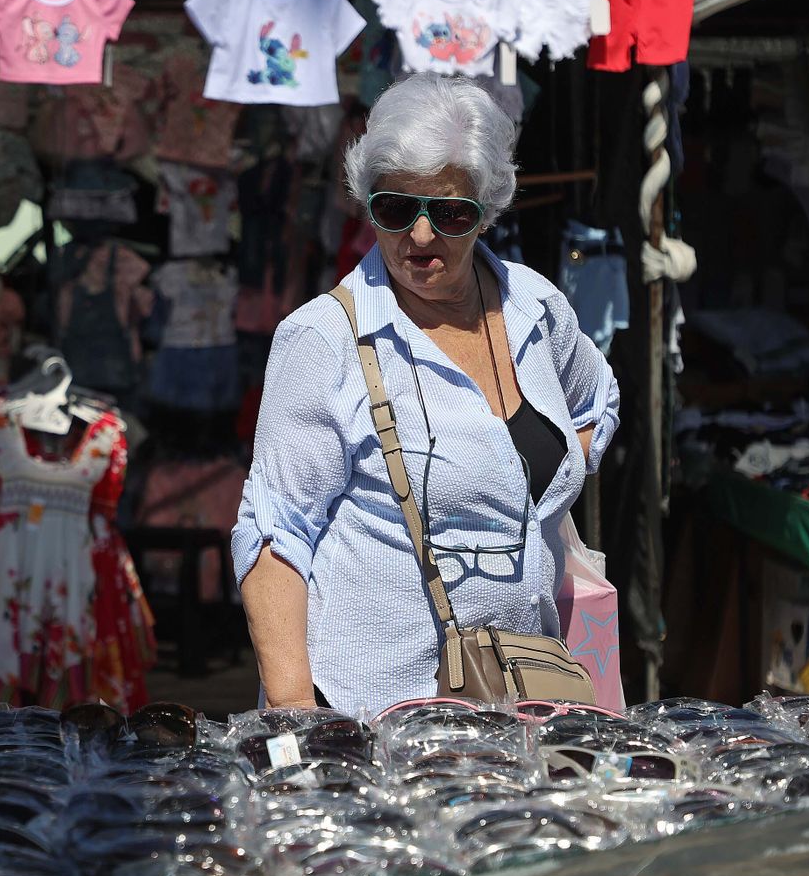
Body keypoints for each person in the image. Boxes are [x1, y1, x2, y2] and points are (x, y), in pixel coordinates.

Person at [233, 73, 620, 717]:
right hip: (373, 709)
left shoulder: (535, 308)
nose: (418, 236)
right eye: (393, 208)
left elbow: (595, 402)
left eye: (449, 213)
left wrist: (526, 502)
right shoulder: (324, 338)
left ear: (486, 210)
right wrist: (298, 713)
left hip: (522, 696)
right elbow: (275, 535)